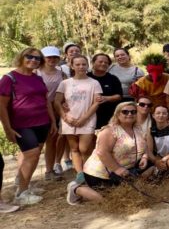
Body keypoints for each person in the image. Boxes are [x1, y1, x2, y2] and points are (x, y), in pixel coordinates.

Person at [0, 48, 55, 205]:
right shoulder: (9, 78)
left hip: (42, 123)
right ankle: (21, 194)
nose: (33, 60)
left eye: (37, 58)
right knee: (32, 154)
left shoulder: (37, 78)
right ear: (21, 57)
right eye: (29, 56)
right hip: (22, 125)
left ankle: (25, 185)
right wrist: (7, 128)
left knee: (34, 156)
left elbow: (46, 101)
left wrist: (52, 121)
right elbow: (1, 106)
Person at [66, 102, 147, 205]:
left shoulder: (138, 129)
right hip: (100, 173)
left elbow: (144, 145)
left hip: (124, 171)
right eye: (125, 112)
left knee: (127, 197)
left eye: (133, 112)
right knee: (110, 202)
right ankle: (76, 189)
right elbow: (102, 152)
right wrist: (117, 169)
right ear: (117, 114)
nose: (130, 114)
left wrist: (145, 156)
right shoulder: (110, 131)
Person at [55, 55, 102, 181]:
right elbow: (57, 102)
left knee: (84, 148)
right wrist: (65, 117)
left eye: (83, 64)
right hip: (69, 120)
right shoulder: (65, 83)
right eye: (77, 64)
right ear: (72, 66)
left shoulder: (94, 83)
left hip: (87, 119)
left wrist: (84, 118)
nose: (81, 67)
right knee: (74, 148)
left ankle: (89, 172)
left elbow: (96, 102)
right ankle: (80, 174)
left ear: (87, 65)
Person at [37, 46, 68, 181]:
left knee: (52, 140)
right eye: (49, 57)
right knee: (36, 144)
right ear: (43, 58)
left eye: (55, 57)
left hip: (56, 109)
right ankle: (22, 175)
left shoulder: (61, 73)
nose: (52, 59)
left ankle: (49, 171)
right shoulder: (36, 72)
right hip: (39, 110)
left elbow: (66, 89)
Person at [87, 54, 123, 131]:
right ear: (93, 63)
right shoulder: (86, 77)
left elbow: (119, 96)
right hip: (88, 115)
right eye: (100, 62)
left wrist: (106, 98)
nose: (103, 64)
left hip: (108, 116)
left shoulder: (113, 78)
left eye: (106, 63)